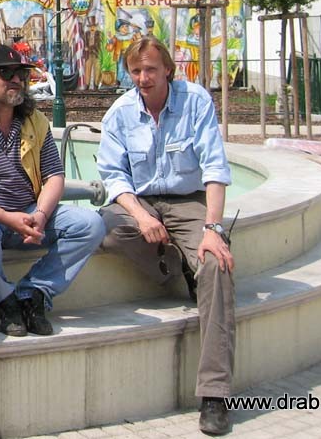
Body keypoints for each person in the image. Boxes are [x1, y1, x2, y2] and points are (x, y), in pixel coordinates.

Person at [96, 37, 235, 436]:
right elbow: (114, 177)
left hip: (188, 201)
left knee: (216, 264)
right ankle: (175, 266)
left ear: (168, 70)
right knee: (106, 227)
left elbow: (215, 167)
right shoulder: (120, 114)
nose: (143, 78)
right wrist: (141, 216)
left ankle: (214, 393)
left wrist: (213, 229)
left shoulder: (196, 102)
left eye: (151, 70)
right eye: (136, 71)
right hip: (141, 202)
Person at [0, 44, 104, 337]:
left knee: (91, 224)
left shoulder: (35, 120)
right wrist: (5, 217)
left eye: (21, 74)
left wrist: (41, 215)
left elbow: (54, 176)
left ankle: (33, 293)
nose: (16, 80)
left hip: (27, 215)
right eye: (5, 73)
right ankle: (2, 300)